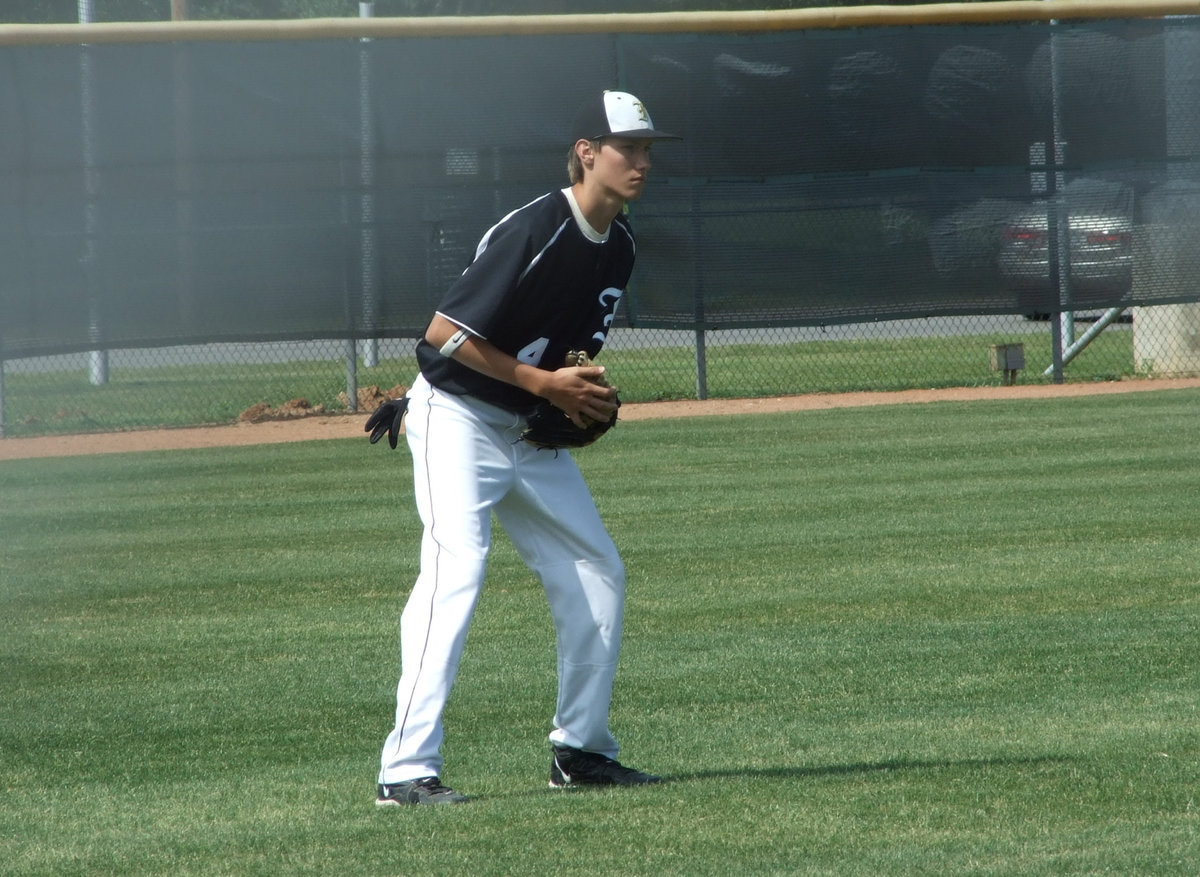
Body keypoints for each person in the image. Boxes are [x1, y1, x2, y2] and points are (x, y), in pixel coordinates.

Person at [372, 91, 681, 806]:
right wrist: (545, 381)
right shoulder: (536, 226)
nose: (641, 160)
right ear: (586, 153)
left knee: (598, 569)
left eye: (646, 148)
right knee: (458, 569)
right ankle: (404, 770)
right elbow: (442, 334)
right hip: (454, 416)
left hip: (525, 429)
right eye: (626, 147)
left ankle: (581, 751)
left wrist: (571, 395)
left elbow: (568, 348)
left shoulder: (622, 245)